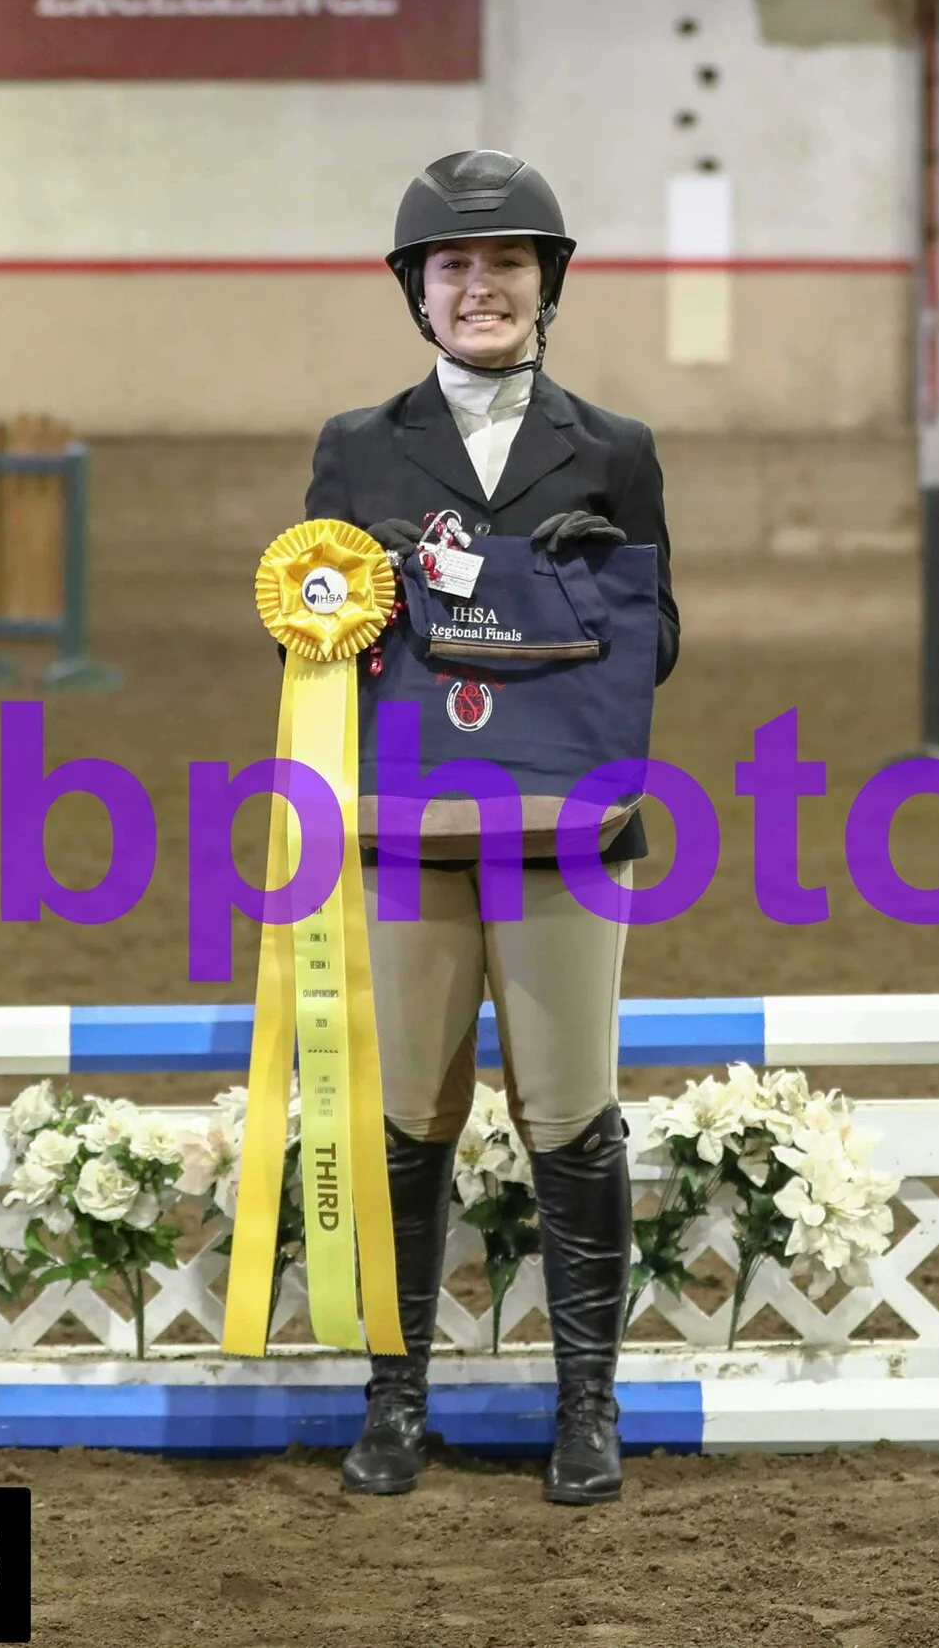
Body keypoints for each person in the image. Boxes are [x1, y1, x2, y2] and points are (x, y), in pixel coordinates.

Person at [297, 149, 680, 1507]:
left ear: (544, 281)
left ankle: (588, 1405)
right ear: (419, 287)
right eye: (454, 266)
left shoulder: (617, 451)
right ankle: (396, 1396)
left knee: (569, 1111)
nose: (480, 288)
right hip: (411, 830)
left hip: (567, 830)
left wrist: (565, 589)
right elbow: (310, 637)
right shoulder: (357, 447)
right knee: (409, 1111)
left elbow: (659, 642)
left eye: (506, 264)